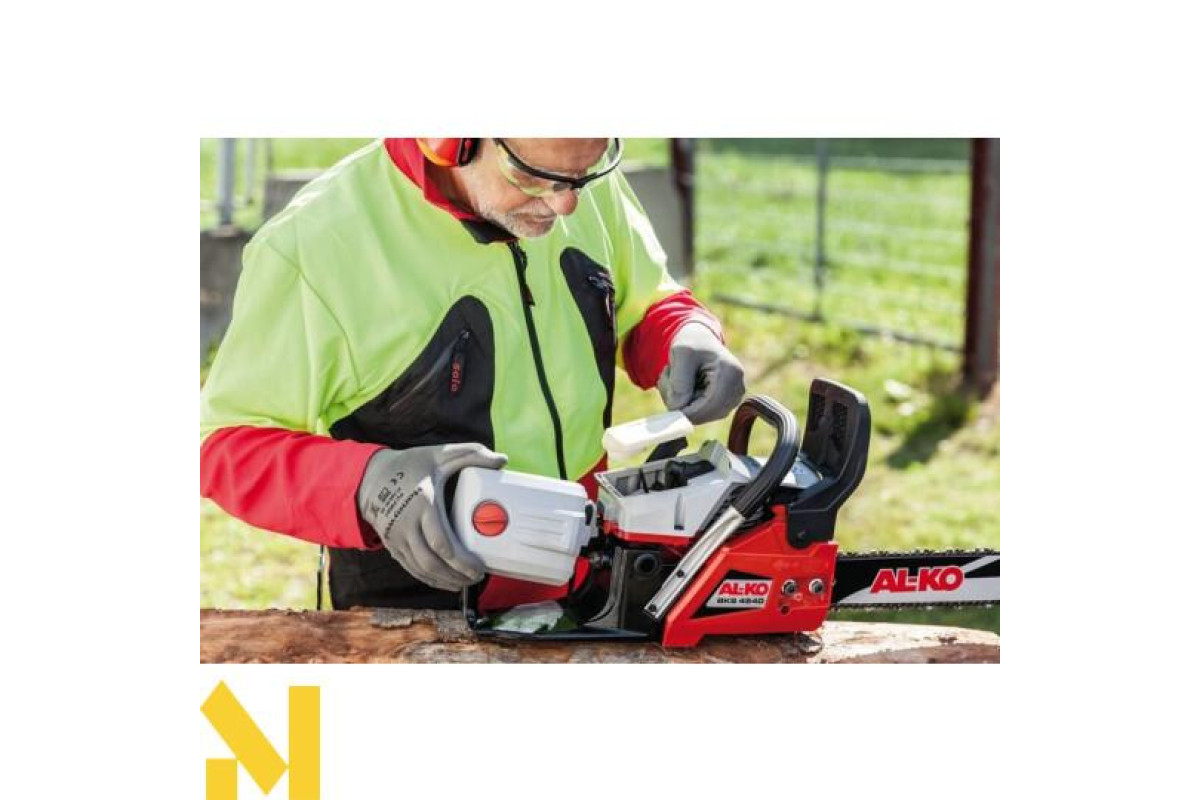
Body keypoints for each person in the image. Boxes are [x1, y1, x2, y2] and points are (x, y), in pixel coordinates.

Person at [200, 138, 746, 611]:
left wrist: (684, 332)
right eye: (533, 177)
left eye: (584, 173)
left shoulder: (569, 171)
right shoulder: (315, 245)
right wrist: (365, 483)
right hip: (423, 602)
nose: (565, 204)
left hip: (593, 568)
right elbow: (224, 445)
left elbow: (646, 299)